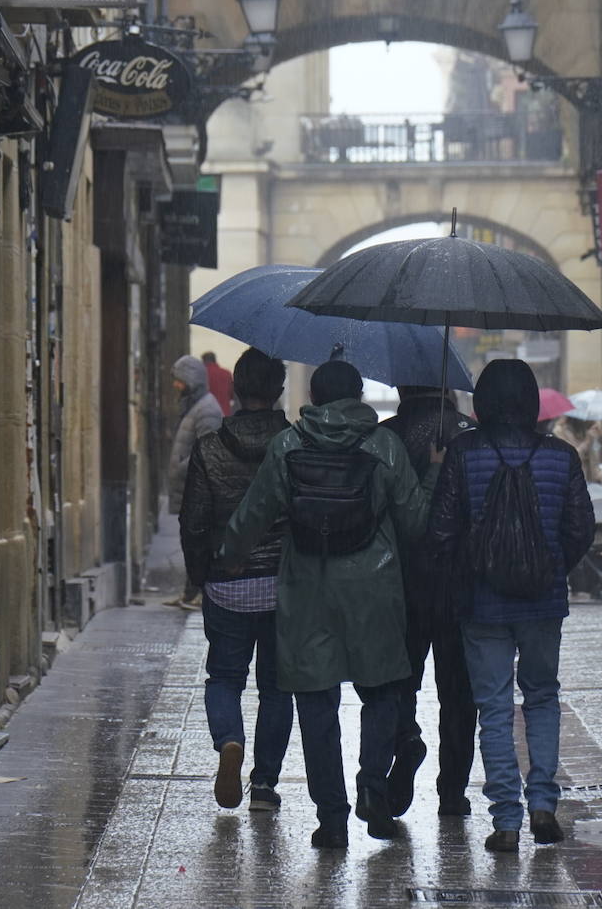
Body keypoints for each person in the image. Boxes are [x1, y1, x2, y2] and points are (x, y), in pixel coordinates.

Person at [217, 361, 441, 850]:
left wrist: (227, 558)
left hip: (307, 592)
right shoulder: (385, 446)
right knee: (381, 693)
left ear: (314, 397)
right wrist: (435, 472)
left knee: (316, 704)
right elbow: (416, 523)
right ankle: (371, 784)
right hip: (375, 593)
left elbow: (254, 515)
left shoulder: (290, 445)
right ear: (359, 395)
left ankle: (332, 819)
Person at [428, 360, 595, 853]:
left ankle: (505, 819)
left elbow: (440, 532)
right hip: (543, 602)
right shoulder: (561, 457)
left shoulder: (462, 453)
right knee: (542, 696)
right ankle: (544, 802)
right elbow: (580, 527)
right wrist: (553, 567)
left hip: (483, 605)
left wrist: (466, 569)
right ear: (529, 401)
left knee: (494, 707)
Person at [179, 349, 294, 813]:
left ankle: (229, 741)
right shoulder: (293, 444)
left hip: (227, 585)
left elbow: (193, 521)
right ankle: (264, 786)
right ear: (279, 392)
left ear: (235, 390)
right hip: (282, 586)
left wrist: (198, 577)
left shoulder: (209, 449)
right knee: (276, 686)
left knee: (224, 678)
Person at [380, 386, 477, 819]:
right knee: (459, 693)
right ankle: (452, 793)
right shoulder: (473, 435)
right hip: (461, 584)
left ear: (403, 387)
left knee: (400, 681)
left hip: (403, 583)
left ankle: (405, 739)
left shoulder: (388, 437)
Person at [169, 355, 224, 610]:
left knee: (197, 542)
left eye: (179, 381)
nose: (175, 387)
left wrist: (182, 467)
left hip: (197, 490)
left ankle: (200, 592)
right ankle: (189, 593)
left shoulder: (207, 410)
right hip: (188, 487)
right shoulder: (195, 407)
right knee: (188, 541)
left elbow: (208, 451)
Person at [202, 350, 235, 416]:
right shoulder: (226, 373)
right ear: (214, 360)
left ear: (204, 361)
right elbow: (232, 395)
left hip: (207, 416)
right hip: (225, 414)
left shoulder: (202, 374)